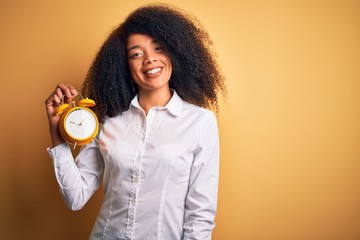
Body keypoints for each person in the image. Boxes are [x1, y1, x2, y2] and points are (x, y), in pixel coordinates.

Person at [45, 4, 225, 240]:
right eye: (136, 54)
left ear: (174, 52)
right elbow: (75, 197)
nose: (149, 59)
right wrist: (57, 133)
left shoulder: (200, 122)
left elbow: (200, 217)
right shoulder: (107, 120)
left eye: (158, 48)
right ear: (124, 65)